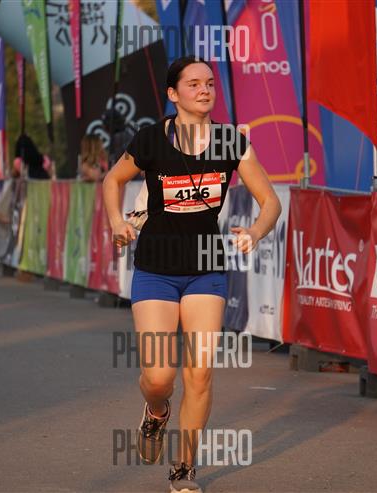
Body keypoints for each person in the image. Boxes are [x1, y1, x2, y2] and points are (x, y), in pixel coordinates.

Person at [103, 56, 281, 493]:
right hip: (156, 269)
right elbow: (112, 180)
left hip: (206, 267)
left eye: (210, 83)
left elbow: (270, 201)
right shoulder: (151, 139)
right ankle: (156, 412)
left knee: (199, 375)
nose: (204, 90)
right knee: (159, 377)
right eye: (194, 84)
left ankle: (183, 469)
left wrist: (255, 231)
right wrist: (117, 221)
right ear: (173, 94)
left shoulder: (231, 142)